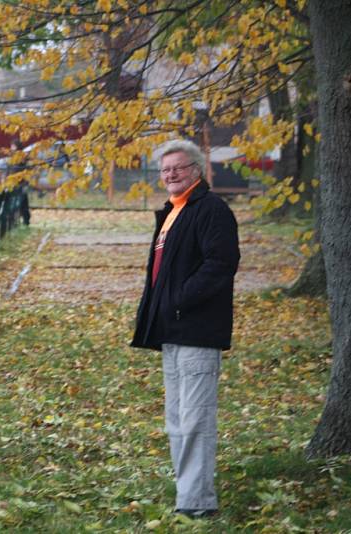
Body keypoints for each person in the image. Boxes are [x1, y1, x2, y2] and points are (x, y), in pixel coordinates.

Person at [131, 139, 240, 519]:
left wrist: (179, 299)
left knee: (195, 417)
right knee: (177, 418)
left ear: (196, 169)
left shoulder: (211, 210)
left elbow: (221, 262)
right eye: (165, 170)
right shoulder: (174, 211)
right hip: (171, 331)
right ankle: (186, 492)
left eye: (178, 167)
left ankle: (197, 502)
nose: (171, 175)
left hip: (196, 328)